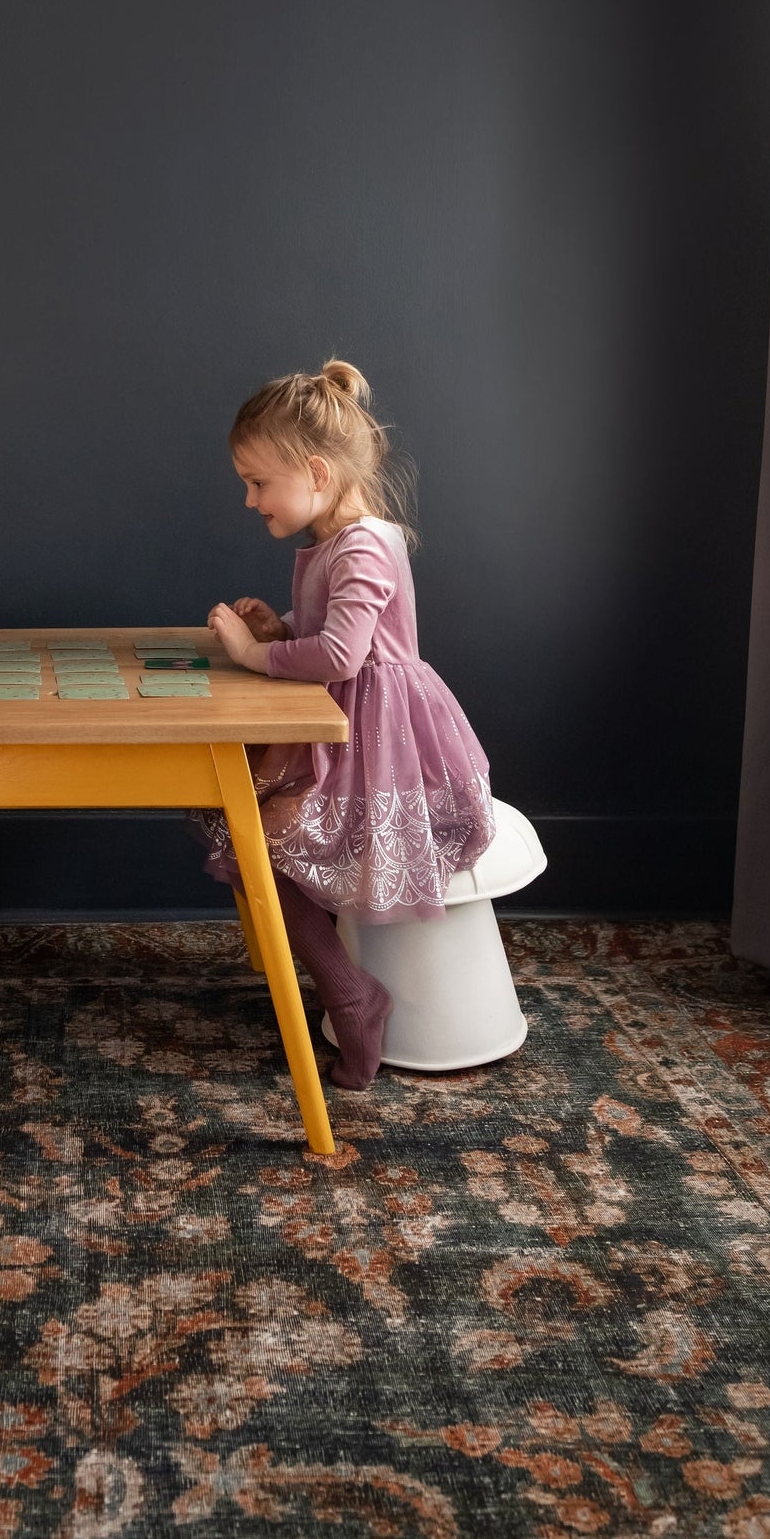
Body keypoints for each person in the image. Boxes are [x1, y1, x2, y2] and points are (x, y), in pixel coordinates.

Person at [201, 360, 495, 1090]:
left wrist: (253, 651)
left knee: (254, 841)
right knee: (239, 829)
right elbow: (333, 628)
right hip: (346, 730)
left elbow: (341, 654)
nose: (248, 499)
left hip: (378, 745)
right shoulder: (343, 541)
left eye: (259, 482)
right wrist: (282, 623)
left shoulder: (363, 544)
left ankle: (351, 993)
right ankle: (341, 983)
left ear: (317, 473)